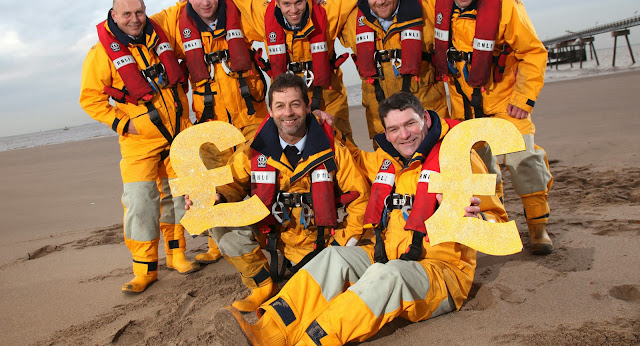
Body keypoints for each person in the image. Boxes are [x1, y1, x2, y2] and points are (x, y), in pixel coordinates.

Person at [210, 91, 508, 345]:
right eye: (393, 129)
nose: (403, 135)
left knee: (385, 275)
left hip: (441, 274)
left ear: (426, 120)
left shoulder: (459, 160)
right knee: (334, 258)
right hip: (387, 256)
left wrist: (473, 219)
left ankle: (313, 341)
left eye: (410, 124)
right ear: (386, 132)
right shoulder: (386, 160)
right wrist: (329, 130)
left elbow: (499, 230)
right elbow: (350, 157)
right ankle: (267, 332)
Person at [185, 73, 370, 313]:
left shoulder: (333, 150)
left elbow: (360, 199)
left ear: (307, 107)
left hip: (321, 244)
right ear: (270, 112)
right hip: (273, 239)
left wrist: (342, 246)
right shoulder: (254, 151)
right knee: (216, 216)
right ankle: (261, 285)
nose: (288, 113)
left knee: (337, 300)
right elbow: (229, 182)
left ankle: (304, 276)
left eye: (295, 104)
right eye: (280, 106)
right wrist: (215, 196)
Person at [428, 0, 553, 254]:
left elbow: (533, 52)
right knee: (480, 173)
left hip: (505, 104)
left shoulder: (506, 3)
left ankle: (538, 229)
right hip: (464, 110)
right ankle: (497, 225)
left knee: (525, 161)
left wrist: (524, 98)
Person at [80, 0, 198, 294]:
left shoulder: (158, 34)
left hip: (177, 136)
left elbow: (178, 12)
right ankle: (145, 269)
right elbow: (90, 98)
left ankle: (177, 255)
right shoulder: (101, 54)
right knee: (140, 204)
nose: (135, 20)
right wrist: (122, 123)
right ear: (114, 15)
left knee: (180, 199)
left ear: (146, 11)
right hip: (139, 144)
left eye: (139, 12)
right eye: (127, 14)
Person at [152, 0, 269, 264]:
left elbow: (271, 14)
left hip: (251, 118)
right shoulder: (177, 23)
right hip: (211, 127)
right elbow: (134, 24)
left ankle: (274, 239)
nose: (205, 2)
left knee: (262, 176)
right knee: (206, 190)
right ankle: (223, 247)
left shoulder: (240, 15)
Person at [216, 0, 366, 143]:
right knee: (293, 154)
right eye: (286, 4)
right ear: (277, 3)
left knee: (340, 147)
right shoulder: (264, 17)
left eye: (298, 2)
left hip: (329, 98)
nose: (293, 10)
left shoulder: (327, 13)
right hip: (288, 105)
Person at [339, 0, 449, 141]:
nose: (380, 1)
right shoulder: (350, 24)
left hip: (427, 118)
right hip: (381, 125)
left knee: (439, 165)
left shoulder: (427, 12)